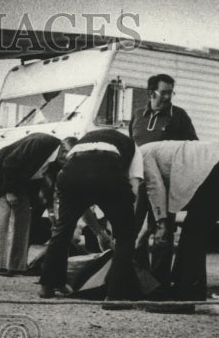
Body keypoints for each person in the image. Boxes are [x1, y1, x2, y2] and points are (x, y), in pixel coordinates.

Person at [38, 129, 142, 309]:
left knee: (62, 231)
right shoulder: (134, 148)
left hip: (71, 172)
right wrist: (125, 224)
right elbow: (134, 188)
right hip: (107, 169)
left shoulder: (86, 140)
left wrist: (100, 233)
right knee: (126, 236)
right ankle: (116, 296)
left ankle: (47, 285)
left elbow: (82, 205)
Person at [139, 140, 219, 312]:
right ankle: (187, 292)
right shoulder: (149, 150)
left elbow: (155, 187)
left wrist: (162, 223)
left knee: (193, 234)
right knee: (193, 232)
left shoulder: (141, 155)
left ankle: (184, 299)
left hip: (218, 168)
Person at [128, 74, 199, 291]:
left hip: (166, 186)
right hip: (139, 184)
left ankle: (159, 283)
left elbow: (192, 147)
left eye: (171, 92)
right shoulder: (138, 115)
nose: (168, 97)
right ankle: (139, 278)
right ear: (151, 93)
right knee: (133, 230)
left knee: (162, 231)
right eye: (164, 92)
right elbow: (132, 146)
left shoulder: (179, 116)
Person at [0, 132, 62, 275]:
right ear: (64, 151)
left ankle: (17, 266)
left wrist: (44, 208)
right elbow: (10, 164)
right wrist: (9, 191)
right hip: (0, 181)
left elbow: (46, 184)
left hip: (20, 184)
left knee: (23, 222)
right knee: (1, 220)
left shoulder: (56, 160)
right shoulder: (43, 143)